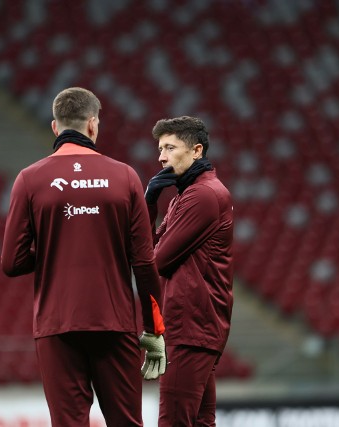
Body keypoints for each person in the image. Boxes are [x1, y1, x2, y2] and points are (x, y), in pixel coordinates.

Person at [1, 87, 167, 427]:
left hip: (56, 324)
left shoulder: (29, 179)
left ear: (55, 128)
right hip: (115, 321)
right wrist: (154, 329)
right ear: (93, 125)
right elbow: (144, 262)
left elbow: (12, 261)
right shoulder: (125, 176)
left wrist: (54, 248)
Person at [144, 116, 234, 427]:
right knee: (200, 422)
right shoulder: (188, 193)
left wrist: (149, 201)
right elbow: (149, 246)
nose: (161, 157)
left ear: (196, 151)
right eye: (160, 148)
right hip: (197, 324)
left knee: (175, 421)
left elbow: (155, 260)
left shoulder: (202, 195)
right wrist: (151, 203)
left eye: (170, 147)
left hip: (190, 324)